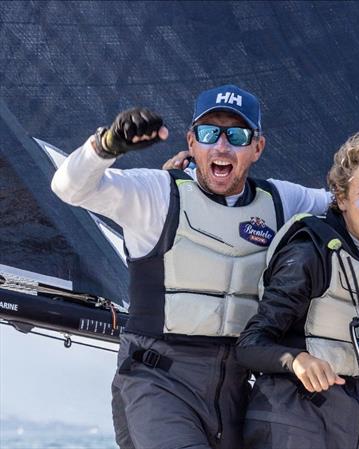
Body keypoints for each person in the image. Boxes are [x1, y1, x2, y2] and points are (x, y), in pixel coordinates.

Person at [51, 84, 331, 449]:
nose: (222, 145)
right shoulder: (156, 193)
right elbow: (69, 189)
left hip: (236, 388)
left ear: (257, 147)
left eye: (237, 134)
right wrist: (106, 146)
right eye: (209, 132)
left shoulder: (282, 201)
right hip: (159, 381)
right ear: (192, 141)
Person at [235, 128, 359, 449]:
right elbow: (250, 346)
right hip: (290, 410)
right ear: (341, 196)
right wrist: (296, 360)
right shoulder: (309, 252)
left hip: (348, 412)